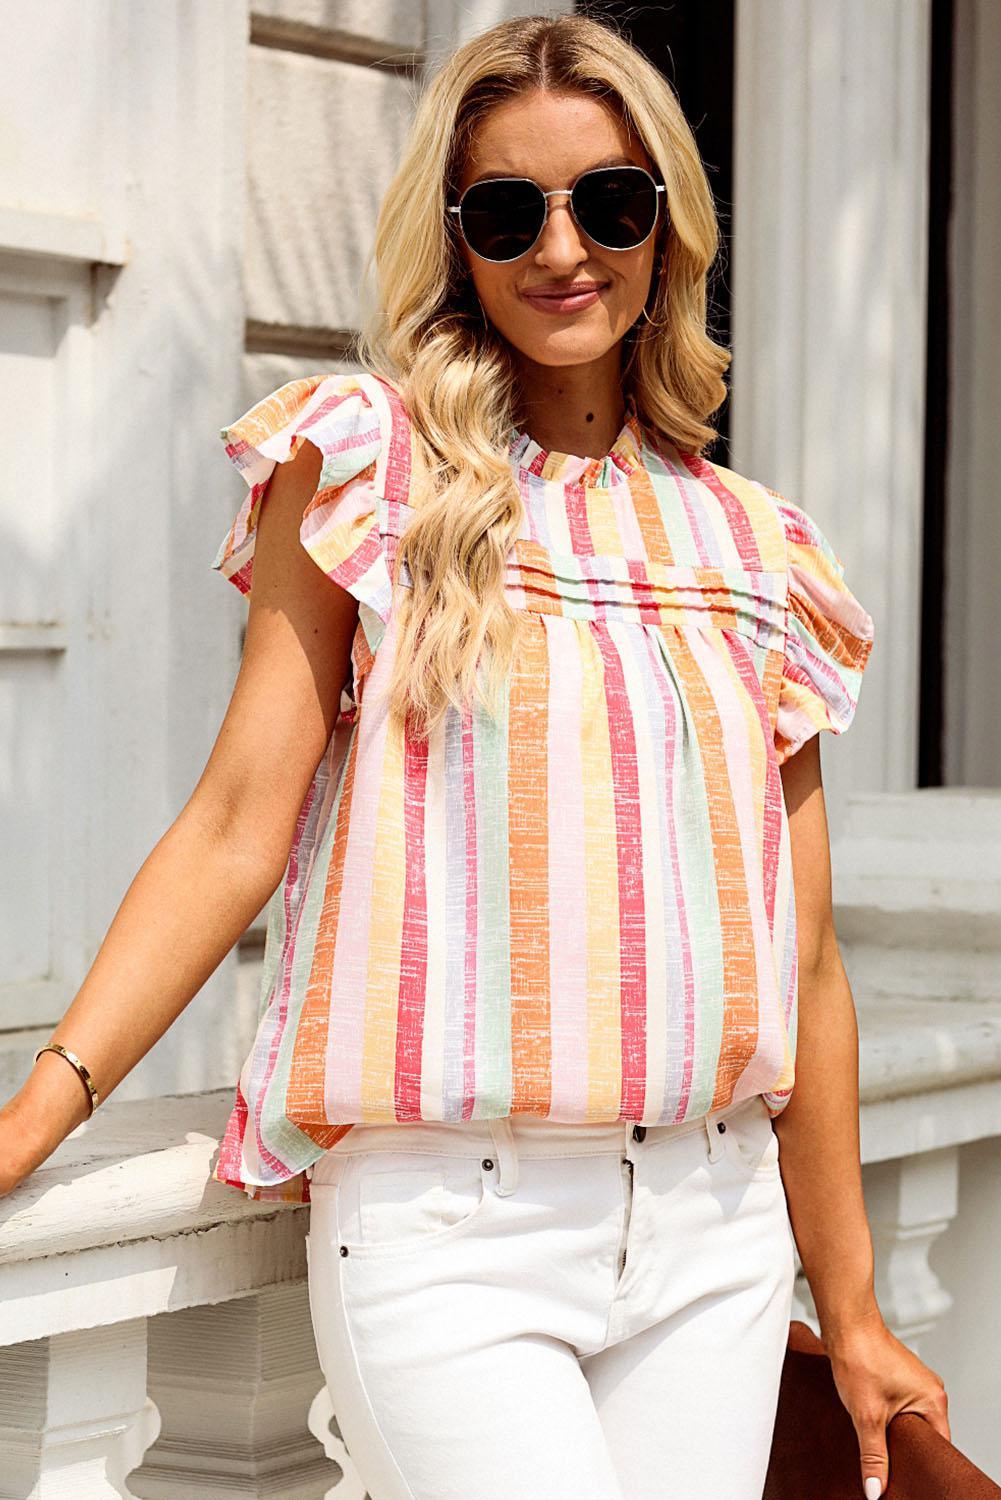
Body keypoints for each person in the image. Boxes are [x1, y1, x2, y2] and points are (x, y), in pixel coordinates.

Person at [0, 12, 950, 1500]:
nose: (562, 248)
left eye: (607, 202)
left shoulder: (757, 548)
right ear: (454, 241)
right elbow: (237, 825)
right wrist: (32, 1114)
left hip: (712, 1227)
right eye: (508, 210)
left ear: (666, 226)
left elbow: (803, 962)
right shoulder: (366, 466)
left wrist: (854, 1308)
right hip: (452, 1231)